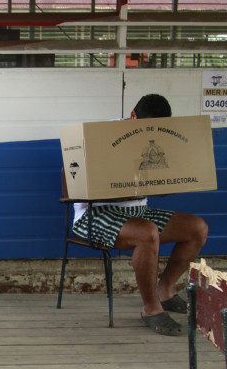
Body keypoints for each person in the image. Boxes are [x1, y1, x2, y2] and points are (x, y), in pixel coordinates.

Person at [72, 94, 208, 336]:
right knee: (147, 232)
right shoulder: (101, 135)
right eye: (145, 126)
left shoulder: (160, 138)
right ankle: (151, 309)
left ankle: (165, 293)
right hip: (95, 214)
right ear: (133, 116)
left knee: (197, 227)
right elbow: (80, 181)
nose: (150, 133)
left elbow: (157, 185)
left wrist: (168, 182)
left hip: (138, 211)